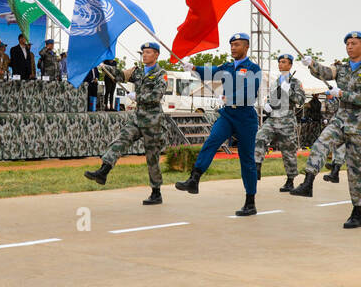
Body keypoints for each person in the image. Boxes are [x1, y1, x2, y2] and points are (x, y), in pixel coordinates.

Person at [289, 31, 361, 229]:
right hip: (341, 119)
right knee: (320, 144)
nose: (349, 46)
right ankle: (308, 183)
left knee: (356, 170)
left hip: (360, 125)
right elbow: (326, 73)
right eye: (347, 43)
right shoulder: (342, 68)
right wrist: (311, 64)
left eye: (354, 43)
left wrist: (342, 93)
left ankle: (357, 213)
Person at [174, 33, 262, 217]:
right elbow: (211, 71)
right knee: (212, 141)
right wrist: (193, 67)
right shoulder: (228, 66)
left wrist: (227, 97)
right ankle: (194, 178)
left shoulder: (253, 68)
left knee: (247, 160)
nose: (233, 48)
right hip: (228, 114)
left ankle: (250, 202)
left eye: (237, 45)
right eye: (231, 45)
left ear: (246, 47)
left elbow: (250, 93)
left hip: (245, 117)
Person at [84, 42, 170, 204]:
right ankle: (103, 171)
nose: (145, 55)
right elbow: (119, 75)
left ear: (156, 55)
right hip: (138, 118)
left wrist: (137, 97)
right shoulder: (137, 71)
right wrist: (102, 65)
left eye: (148, 52)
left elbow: (156, 96)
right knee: (120, 140)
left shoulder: (161, 74)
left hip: (153, 121)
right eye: (143, 52)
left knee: (152, 158)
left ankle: (156, 192)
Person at [254, 52, 306, 192]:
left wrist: (288, 90)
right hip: (273, 117)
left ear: (290, 65)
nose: (281, 64)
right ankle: (257, 166)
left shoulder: (295, 82)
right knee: (260, 137)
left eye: (284, 62)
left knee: (288, 150)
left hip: (287, 119)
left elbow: (301, 101)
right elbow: (272, 98)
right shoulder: (275, 81)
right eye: (279, 62)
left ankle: (290, 180)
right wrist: (268, 105)